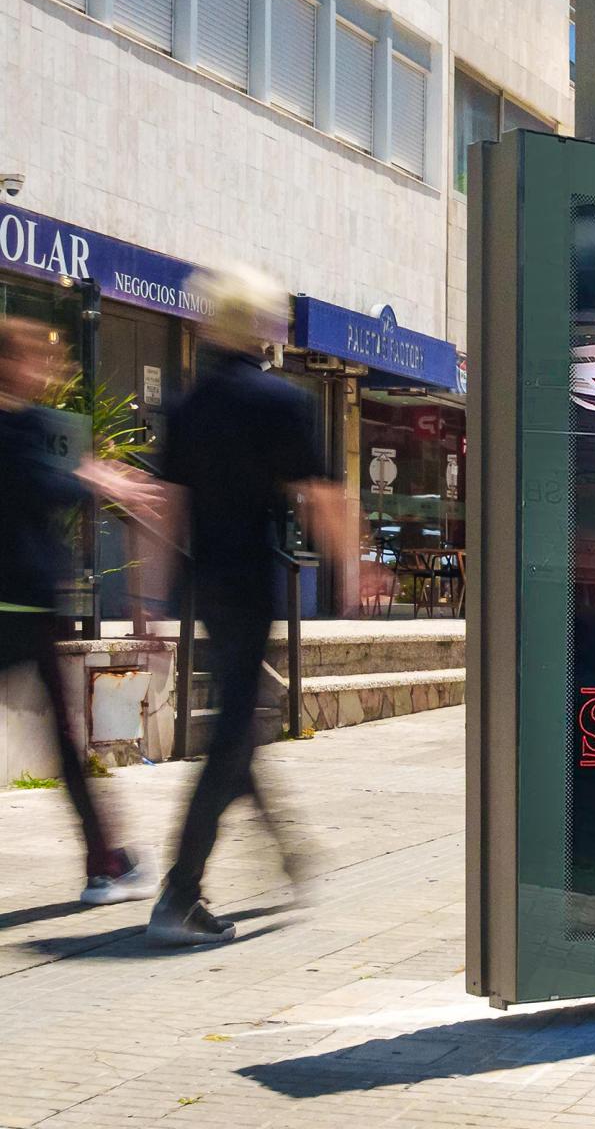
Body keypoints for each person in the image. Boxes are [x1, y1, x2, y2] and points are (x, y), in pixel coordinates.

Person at [146, 267, 350, 948]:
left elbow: (165, 508)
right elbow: (320, 497)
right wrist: (349, 571)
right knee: (234, 729)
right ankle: (180, 892)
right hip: (254, 580)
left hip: (206, 585)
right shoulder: (278, 402)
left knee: (241, 718)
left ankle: (283, 852)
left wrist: (152, 596)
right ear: (262, 328)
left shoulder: (187, 403)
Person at [0, 317, 163, 904]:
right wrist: (96, 483)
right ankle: (105, 864)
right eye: (40, 358)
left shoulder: (28, 426)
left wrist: (90, 477)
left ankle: (104, 861)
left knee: (67, 745)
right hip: (24, 602)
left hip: (22, 600)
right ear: (13, 362)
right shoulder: (24, 426)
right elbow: (35, 487)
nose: (52, 369)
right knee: (67, 745)